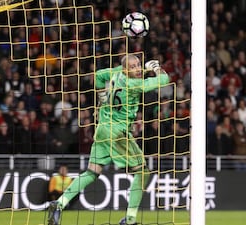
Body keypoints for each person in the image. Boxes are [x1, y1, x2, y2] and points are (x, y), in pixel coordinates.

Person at [47, 55, 170, 225]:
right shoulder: (133, 84)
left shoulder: (117, 73)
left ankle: (59, 203)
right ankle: (130, 219)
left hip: (103, 129)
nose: (137, 69)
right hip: (117, 133)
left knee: (91, 173)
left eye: (138, 65)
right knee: (142, 172)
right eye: (133, 66)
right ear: (126, 70)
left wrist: (101, 98)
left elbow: (97, 75)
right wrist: (156, 67)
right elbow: (164, 80)